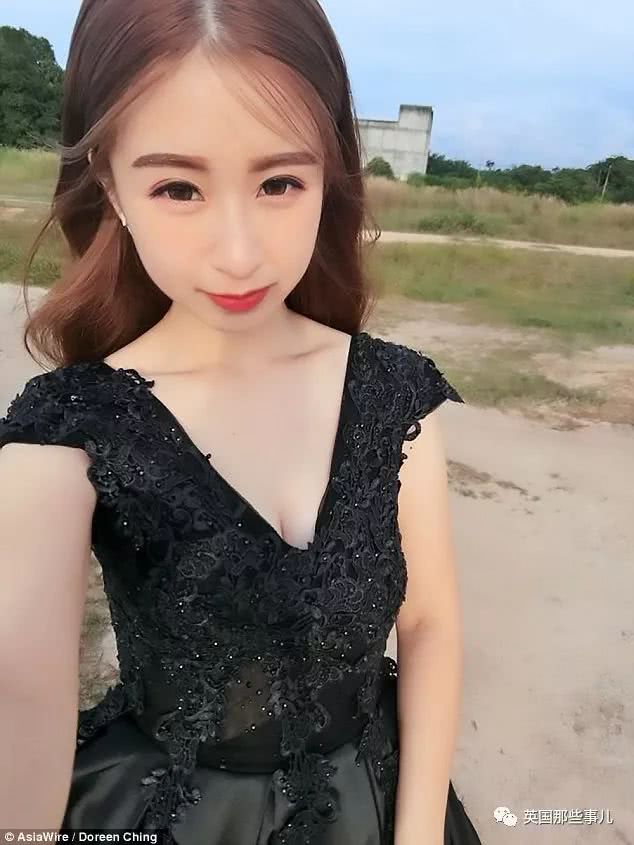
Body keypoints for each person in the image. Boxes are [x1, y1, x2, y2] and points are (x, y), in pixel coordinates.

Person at [0, 1, 484, 843]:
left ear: (328, 175)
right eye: (178, 187)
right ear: (111, 186)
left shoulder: (391, 392)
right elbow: (22, 704)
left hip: (381, 804)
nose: (239, 252)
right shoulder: (68, 433)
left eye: (279, 183)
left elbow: (429, 623)